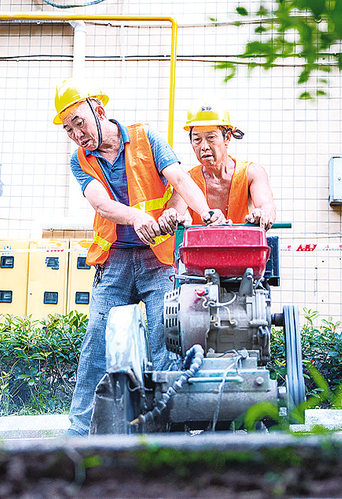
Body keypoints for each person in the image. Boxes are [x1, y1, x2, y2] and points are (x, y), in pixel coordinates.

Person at [54, 79, 225, 436]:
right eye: (68, 129)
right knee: (97, 341)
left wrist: (206, 213)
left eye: (79, 122)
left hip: (157, 260)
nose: (76, 134)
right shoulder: (79, 160)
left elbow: (177, 177)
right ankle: (79, 431)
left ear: (99, 112)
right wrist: (136, 217)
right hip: (114, 262)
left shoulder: (146, 137)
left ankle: (169, 426)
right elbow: (100, 202)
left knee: (167, 337)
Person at [158, 98, 277, 233]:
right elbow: (174, 211)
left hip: (244, 248)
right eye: (197, 139)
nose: (204, 147)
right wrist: (168, 217)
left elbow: (266, 205)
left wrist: (264, 214)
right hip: (203, 250)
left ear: (227, 138)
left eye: (211, 138)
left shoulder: (251, 173)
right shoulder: (188, 180)